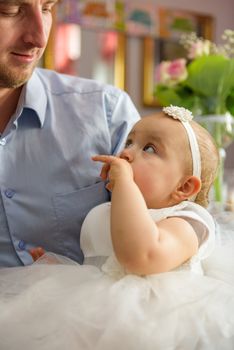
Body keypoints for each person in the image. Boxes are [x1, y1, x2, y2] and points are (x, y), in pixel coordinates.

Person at [2, 106, 233, 349]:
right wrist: (56, 271)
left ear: (184, 188)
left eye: (150, 149)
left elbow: (141, 256)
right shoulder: (104, 213)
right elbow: (99, 269)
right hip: (95, 319)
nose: (126, 153)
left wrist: (124, 184)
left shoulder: (187, 221)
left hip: (159, 327)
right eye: (130, 142)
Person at [0, 0, 140, 267]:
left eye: (47, 8)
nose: (39, 37)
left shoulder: (108, 113)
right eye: (9, 9)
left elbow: (171, 228)